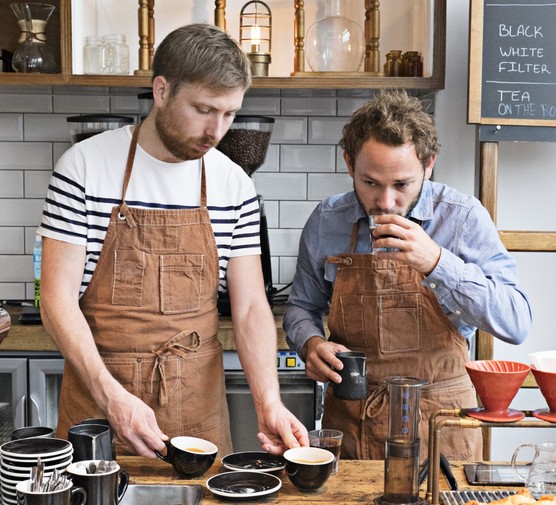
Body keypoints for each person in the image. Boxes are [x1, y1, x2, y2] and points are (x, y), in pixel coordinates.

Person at [38, 23, 308, 458]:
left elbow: (252, 306)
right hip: (99, 411)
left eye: (230, 114)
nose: (217, 130)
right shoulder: (83, 169)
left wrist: (269, 402)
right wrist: (111, 396)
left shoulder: (232, 184)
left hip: (197, 413)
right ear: (161, 90)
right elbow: (55, 299)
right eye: (204, 109)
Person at [283, 90, 532, 461]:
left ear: (428, 164)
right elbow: (300, 308)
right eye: (370, 183)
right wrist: (310, 345)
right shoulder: (326, 220)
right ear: (349, 163)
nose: (385, 202)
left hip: (441, 426)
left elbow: (516, 321)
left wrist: (437, 263)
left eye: (402, 185)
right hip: (353, 423)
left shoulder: (461, 217)